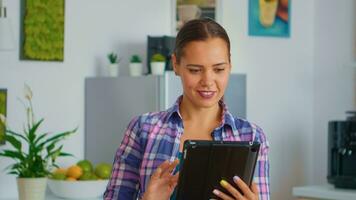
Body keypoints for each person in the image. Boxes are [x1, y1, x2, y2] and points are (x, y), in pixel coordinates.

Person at [103, 18, 270, 200]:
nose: (207, 81)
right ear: (176, 64)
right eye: (195, 70)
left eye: (219, 69)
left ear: (230, 65)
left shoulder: (252, 136)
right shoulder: (143, 129)